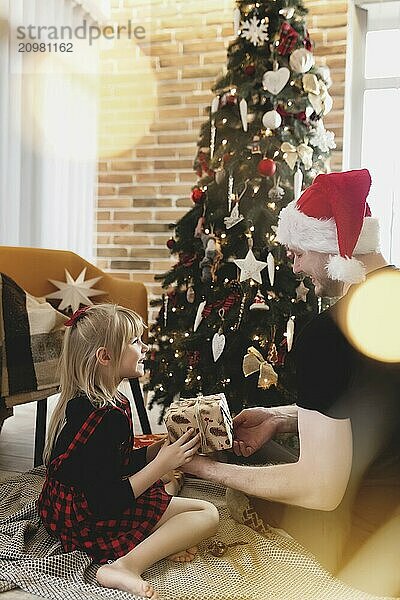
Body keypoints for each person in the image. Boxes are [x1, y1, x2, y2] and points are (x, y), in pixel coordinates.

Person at [183, 169, 400, 595]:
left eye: (300, 252)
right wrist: (280, 418)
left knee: (240, 462)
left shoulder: (327, 333)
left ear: (330, 247)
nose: (296, 265)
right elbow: (376, 403)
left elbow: (321, 490)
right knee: (259, 439)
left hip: (366, 540)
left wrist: (208, 469)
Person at [38, 304, 219, 600]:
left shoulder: (105, 401)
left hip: (63, 510)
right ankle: (125, 565)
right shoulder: (103, 418)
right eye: (135, 341)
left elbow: (114, 464)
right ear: (105, 357)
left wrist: (155, 453)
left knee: (169, 483)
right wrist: (160, 465)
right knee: (207, 513)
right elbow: (106, 502)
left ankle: (162, 540)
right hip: (84, 520)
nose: (144, 347)